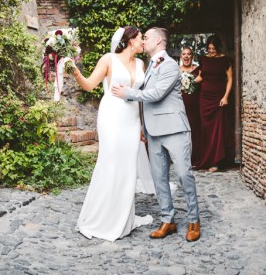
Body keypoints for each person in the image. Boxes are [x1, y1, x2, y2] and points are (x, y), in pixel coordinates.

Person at [112, 27, 201, 242]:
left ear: (159, 41)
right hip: (153, 131)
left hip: (174, 128)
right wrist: (143, 125)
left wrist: (128, 94)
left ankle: (194, 220)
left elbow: (156, 93)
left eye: (148, 37)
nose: (144, 40)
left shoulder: (170, 64)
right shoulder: (149, 65)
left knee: (183, 174)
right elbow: (147, 101)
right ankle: (167, 220)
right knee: (159, 178)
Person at [66, 26, 154, 242]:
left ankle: (123, 217)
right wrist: (74, 70)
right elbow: (88, 85)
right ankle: (102, 217)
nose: (144, 41)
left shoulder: (142, 63)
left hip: (132, 120)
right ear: (130, 40)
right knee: (111, 162)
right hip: (112, 117)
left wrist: (142, 125)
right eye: (141, 38)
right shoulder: (109, 59)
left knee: (127, 166)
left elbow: (140, 96)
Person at [195, 35, 233, 172]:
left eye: (213, 49)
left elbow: (230, 79)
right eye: (209, 48)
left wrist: (226, 96)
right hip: (204, 99)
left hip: (218, 99)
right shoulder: (204, 59)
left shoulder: (225, 60)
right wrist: (187, 81)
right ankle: (205, 159)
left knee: (217, 130)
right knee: (205, 129)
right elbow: (201, 76)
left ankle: (215, 162)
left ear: (218, 48)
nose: (211, 51)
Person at [179, 47, 203, 168]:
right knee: (182, 133)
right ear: (181, 56)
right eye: (184, 54)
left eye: (189, 54)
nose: (186, 56)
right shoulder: (177, 71)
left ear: (192, 56)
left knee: (195, 131)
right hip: (181, 106)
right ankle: (183, 159)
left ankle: (196, 159)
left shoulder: (198, 70)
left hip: (196, 105)